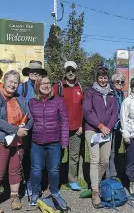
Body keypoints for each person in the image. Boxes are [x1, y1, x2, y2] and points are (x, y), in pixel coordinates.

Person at [0, 70, 33, 213]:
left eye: (15, 82)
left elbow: (30, 117)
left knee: (15, 169)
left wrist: (26, 130)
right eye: (10, 81)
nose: (13, 84)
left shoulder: (20, 98)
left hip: (17, 140)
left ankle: (14, 197)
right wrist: (15, 130)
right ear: (4, 82)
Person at [28, 76, 69, 205]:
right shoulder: (31, 102)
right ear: (37, 86)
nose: (46, 86)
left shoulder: (58, 101)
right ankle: (35, 192)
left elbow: (64, 121)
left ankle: (55, 192)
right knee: (36, 169)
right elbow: (28, 120)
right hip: (37, 142)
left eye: (48, 83)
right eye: (42, 84)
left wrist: (64, 141)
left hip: (54, 142)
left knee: (54, 169)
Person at [83, 67, 118, 208]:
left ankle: (94, 183)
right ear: (97, 78)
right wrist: (99, 125)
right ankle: (95, 192)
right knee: (94, 159)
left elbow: (115, 112)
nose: (103, 80)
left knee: (104, 161)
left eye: (105, 77)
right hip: (92, 130)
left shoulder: (112, 93)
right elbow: (87, 110)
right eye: (100, 77)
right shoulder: (90, 92)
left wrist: (108, 127)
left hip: (106, 131)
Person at [53, 61, 84, 191]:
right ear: (64, 72)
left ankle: (72, 180)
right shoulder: (57, 87)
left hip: (76, 128)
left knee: (74, 155)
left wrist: (81, 125)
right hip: (60, 128)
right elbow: (52, 107)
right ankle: (56, 179)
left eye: (73, 70)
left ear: (76, 72)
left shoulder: (80, 87)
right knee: (57, 155)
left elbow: (83, 108)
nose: (70, 73)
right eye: (68, 70)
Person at [18, 60, 47, 196]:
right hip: (25, 128)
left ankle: (36, 183)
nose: (35, 73)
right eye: (32, 70)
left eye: (38, 71)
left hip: (41, 128)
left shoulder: (46, 87)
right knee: (26, 156)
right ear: (28, 73)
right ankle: (26, 182)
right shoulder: (21, 87)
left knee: (39, 157)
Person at [106, 72, 125, 180]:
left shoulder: (122, 94)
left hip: (119, 127)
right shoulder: (110, 94)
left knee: (115, 150)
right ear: (112, 82)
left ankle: (114, 171)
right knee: (109, 151)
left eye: (122, 82)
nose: (120, 83)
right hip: (111, 126)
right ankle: (110, 175)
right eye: (117, 81)